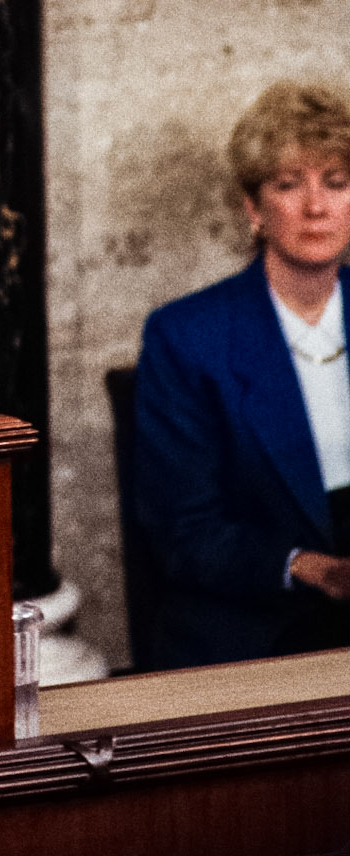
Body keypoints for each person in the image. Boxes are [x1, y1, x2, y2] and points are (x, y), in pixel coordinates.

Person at [133, 82, 350, 667]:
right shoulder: (187, 337)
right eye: (288, 185)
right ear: (253, 209)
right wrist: (312, 569)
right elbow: (184, 531)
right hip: (254, 632)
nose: (316, 206)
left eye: (336, 183)